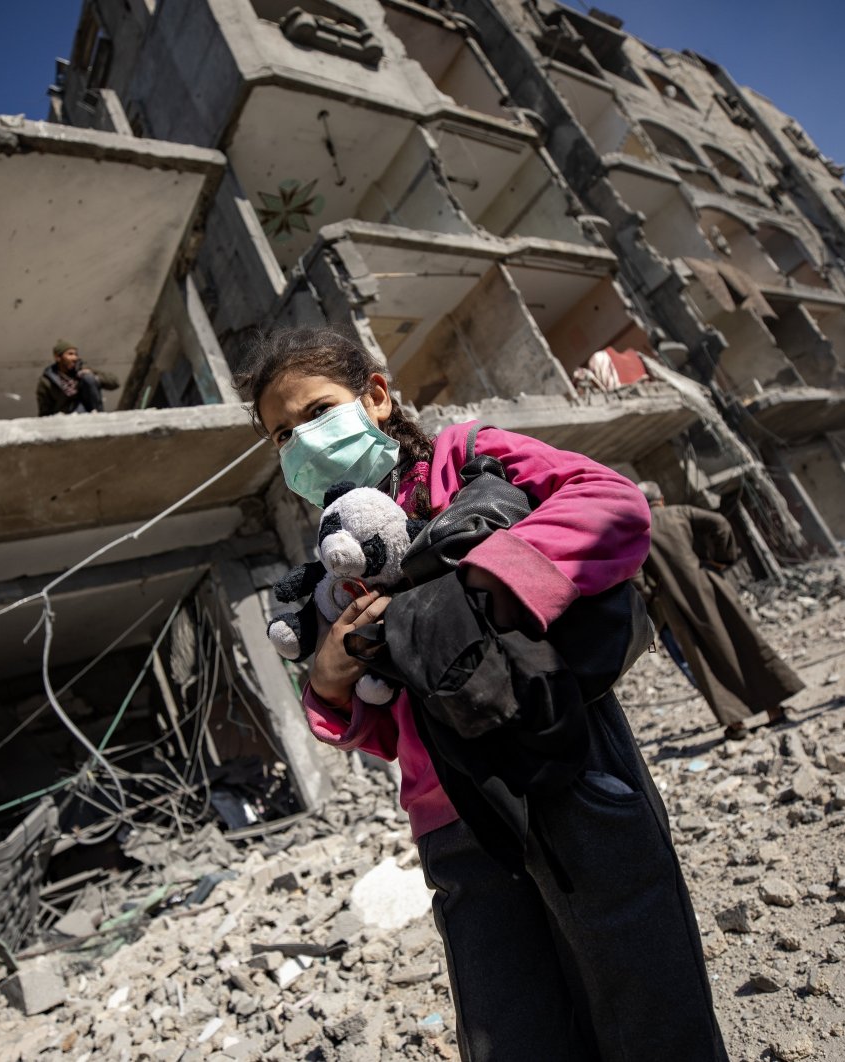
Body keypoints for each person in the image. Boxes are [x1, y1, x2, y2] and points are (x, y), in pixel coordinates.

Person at [237, 328, 728, 1062]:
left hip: (563, 764)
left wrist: (482, 587)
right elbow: (384, 726)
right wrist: (332, 677)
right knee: (513, 1033)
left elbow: (613, 505)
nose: (302, 441)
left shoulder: (463, 459)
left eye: (316, 413)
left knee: (649, 1014)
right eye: (282, 434)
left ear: (374, 396)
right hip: (449, 823)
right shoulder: (340, 553)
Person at [634, 481, 803, 740]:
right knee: (743, 642)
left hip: (674, 604)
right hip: (710, 588)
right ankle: (774, 709)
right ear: (662, 499)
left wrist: (651, 594)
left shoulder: (637, 533)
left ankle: (736, 724)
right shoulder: (682, 513)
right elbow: (720, 523)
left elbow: (635, 575)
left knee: (704, 660)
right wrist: (720, 559)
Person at [36, 340, 117, 415]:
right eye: (70, 354)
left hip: (89, 413)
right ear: (58, 357)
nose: (75, 358)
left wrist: (94, 376)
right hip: (66, 419)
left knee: (88, 378)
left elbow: (114, 382)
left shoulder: (82, 370)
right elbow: (44, 411)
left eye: (76, 354)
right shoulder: (47, 381)